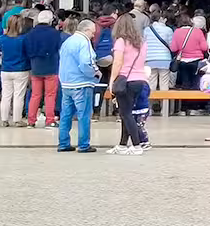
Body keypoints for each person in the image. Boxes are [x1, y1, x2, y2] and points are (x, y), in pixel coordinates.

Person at [108, 13, 151, 155]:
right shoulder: (142, 42)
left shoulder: (121, 41)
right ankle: (122, 145)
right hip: (140, 80)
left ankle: (136, 145)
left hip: (125, 80)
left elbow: (118, 62)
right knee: (127, 113)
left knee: (125, 114)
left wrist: (112, 81)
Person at [55, 18, 100, 152]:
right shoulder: (84, 42)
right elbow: (86, 63)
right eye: (92, 32)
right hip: (81, 83)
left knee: (66, 115)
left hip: (66, 83)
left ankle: (63, 143)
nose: (93, 35)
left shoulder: (67, 41)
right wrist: (95, 73)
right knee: (84, 115)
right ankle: (83, 144)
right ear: (86, 30)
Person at [23, 10, 63, 127]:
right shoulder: (55, 33)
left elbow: (26, 50)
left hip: (36, 66)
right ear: (50, 20)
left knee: (35, 94)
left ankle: (31, 120)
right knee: (50, 95)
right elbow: (58, 48)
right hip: (51, 65)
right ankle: (50, 120)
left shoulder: (30, 33)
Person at [0, 14, 30, 127]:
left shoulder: (2, 38)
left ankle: (4, 119)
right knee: (19, 95)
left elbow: (0, 50)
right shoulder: (24, 39)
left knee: (6, 95)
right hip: (21, 69)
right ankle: (17, 119)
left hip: (5, 69)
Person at [142, 11, 175, 92]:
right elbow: (172, 47)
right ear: (161, 19)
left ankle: (151, 104)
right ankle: (165, 104)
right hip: (164, 59)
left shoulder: (146, 30)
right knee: (164, 84)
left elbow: (143, 44)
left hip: (149, 59)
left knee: (151, 84)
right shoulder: (168, 30)